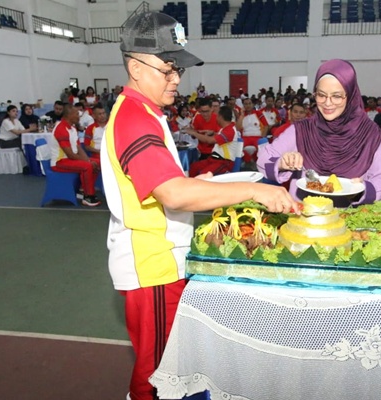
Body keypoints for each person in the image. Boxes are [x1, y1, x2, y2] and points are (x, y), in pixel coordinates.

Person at [103, 12, 297, 400]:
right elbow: (173, 195)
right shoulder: (134, 120)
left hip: (159, 258)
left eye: (178, 69)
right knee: (157, 374)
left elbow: (166, 186)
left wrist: (195, 184)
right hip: (152, 264)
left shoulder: (144, 114)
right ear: (135, 67)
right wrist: (253, 191)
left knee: (169, 365)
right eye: (167, 69)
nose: (176, 78)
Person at [258, 59, 381, 204]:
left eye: (336, 96)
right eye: (321, 95)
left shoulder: (368, 134)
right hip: (305, 217)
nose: (327, 103)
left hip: (351, 219)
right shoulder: (302, 130)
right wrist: (281, 163)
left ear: (350, 96)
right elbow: (263, 159)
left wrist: (363, 190)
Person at [49, 103, 101, 207]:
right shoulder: (61, 129)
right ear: (69, 115)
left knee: (98, 162)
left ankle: (83, 189)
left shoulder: (72, 128)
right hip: (59, 162)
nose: (79, 117)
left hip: (68, 159)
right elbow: (70, 155)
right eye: (77, 114)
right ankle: (88, 196)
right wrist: (88, 162)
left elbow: (78, 148)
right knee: (87, 166)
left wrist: (89, 160)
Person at [188, 106, 241, 176]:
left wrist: (194, 133)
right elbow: (220, 138)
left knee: (204, 175)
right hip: (213, 159)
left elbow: (209, 141)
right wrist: (213, 133)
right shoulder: (226, 128)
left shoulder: (230, 130)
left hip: (224, 162)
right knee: (193, 168)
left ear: (220, 117)